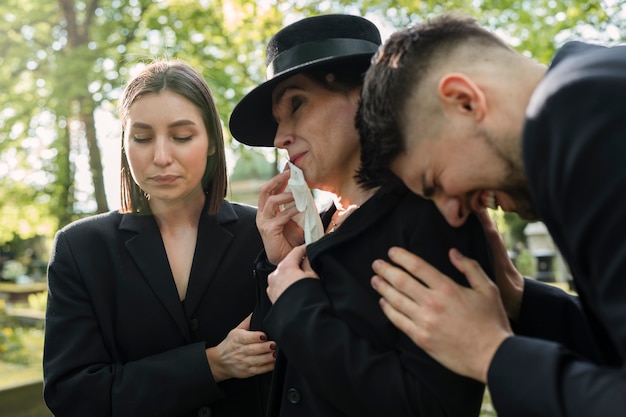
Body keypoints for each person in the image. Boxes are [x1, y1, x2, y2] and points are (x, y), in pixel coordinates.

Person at [356, 12, 626, 417]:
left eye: (435, 183)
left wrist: (488, 351)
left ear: (464, 101)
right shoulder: (597, 85)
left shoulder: (580, 120)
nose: (452, 215)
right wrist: (520, 302)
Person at [229, 14, 495, 417]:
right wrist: (277, 262)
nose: (280, 137)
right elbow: (274, 363)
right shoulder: (316, 226)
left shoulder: (432, 218)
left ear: (364, 95)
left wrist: (299, 302)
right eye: (277, 122)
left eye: (296, 105)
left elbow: (432, 405)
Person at [43, 60, 276, 417]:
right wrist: (212, 364)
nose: (161, 157)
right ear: (124, 143)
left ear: (212, 142)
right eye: (142, 137)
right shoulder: (80, 248)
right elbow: (72, 394)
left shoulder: (263, 235)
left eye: (182, 137)